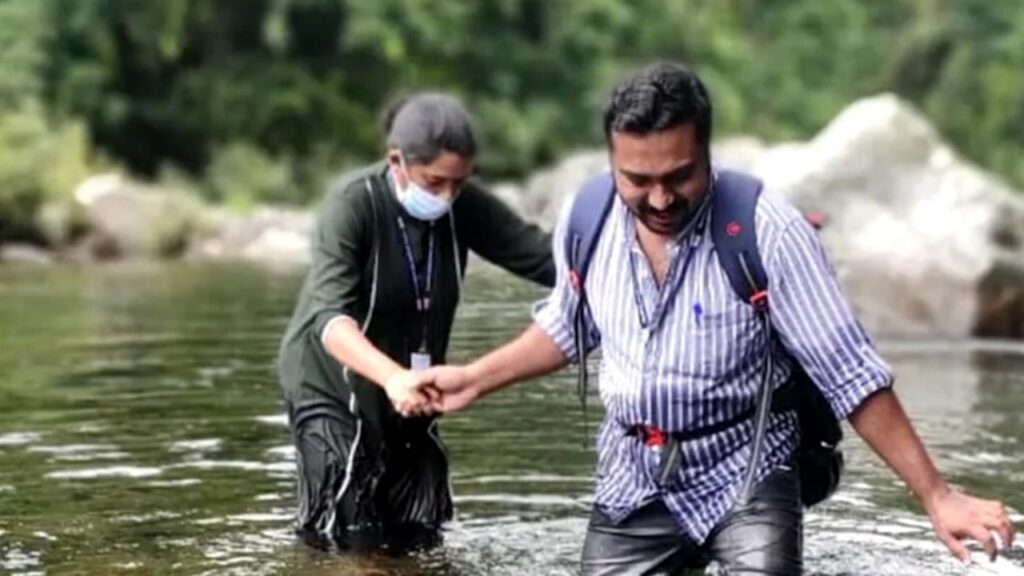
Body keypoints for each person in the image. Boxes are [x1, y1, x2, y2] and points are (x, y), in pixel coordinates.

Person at [415, 63, 1016, 574]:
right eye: (638, 179)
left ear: (707, 151)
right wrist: (474, 378)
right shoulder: (588, 218)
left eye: (679, 176)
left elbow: (850, 374)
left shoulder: (766, 231)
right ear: (612, 160)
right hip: (635, 472)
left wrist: (936, 496)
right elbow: (569, 325)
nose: (659, 200)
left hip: (747, 468)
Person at [276, 91, 555, 550]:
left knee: (422, 529)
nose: (447, 196)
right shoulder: (352, 206)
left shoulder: (462, 205)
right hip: (329, 384)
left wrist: (633, 258)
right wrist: (391, 377)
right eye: (434, 182)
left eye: (459, 184)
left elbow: (544, 258)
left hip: (414, 388)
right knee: (343, 534)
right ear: (397, 162)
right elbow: (329, 317)